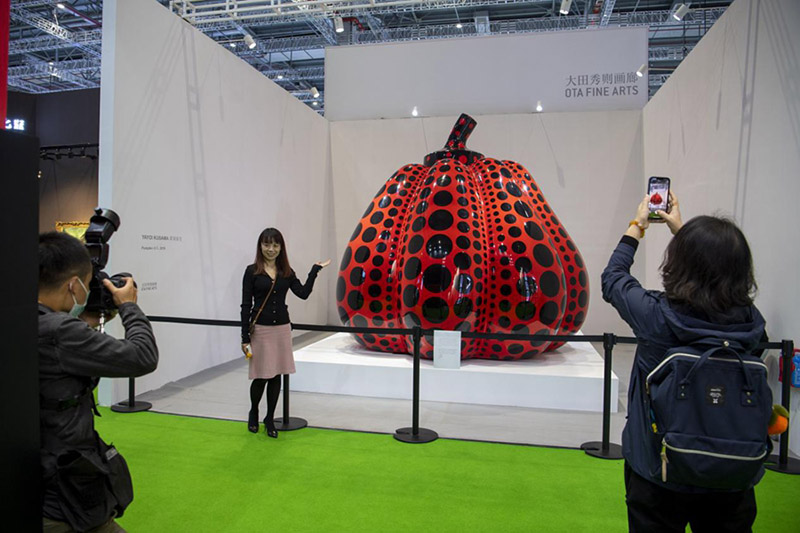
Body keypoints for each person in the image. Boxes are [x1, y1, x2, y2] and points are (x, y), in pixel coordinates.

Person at [601, 192, 767, 532]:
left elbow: (614, 277)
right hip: (732, 472)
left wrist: (638, 224)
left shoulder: (656, 315)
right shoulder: (751, 323)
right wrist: (683, 231)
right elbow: (714, 278)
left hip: (657, 470)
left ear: (677, 263)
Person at [38, 232, 159, 533]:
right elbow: (142, 355)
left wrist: (86, 321)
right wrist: (129, 307)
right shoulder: (58, 332)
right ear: (72, 285)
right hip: (62, 495)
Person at [240, 228, 330, 438]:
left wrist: (314, 270)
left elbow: (303, 293)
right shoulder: (251, 271)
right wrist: (244, 338)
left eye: (275, 245)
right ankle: (254, 411)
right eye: (267, 244)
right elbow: (246, 306)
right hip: (260, 330)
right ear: (260, 246)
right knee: (261, 376)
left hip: (281, 329)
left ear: (281, 248)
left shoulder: (286, 273)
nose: (271, 249)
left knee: (276, 375)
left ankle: (270, 418)